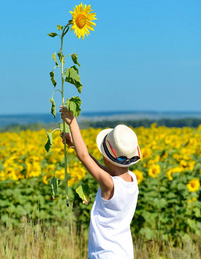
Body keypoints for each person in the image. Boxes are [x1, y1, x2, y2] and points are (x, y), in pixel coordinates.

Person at [59, 106, 141, 259]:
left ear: (106, 157)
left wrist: (73, 122)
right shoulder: (132, 179)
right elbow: (96, 165)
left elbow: (84, 157)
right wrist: (74, 144)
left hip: (105, 254)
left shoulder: (109, 185)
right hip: (124, 253)